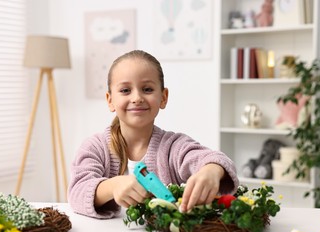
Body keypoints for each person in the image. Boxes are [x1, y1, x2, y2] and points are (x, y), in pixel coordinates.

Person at [68, 50, 239, 219]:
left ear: (163, 97)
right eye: (126, 90)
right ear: (110, 100)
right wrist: (113, 186)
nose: (137, 98)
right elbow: (77, 192)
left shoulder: (174, 146)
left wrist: (211, 171)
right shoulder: (95, 147)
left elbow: (215, 159)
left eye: (147, 89)